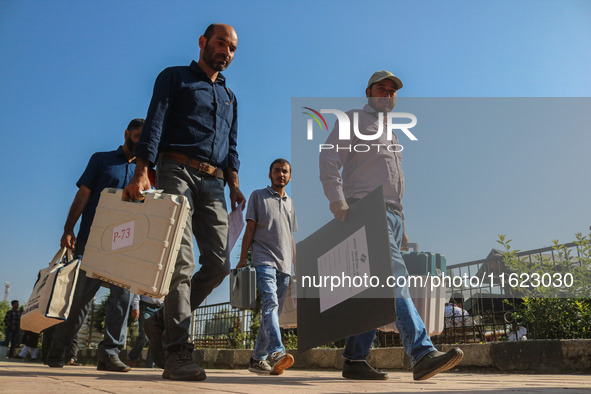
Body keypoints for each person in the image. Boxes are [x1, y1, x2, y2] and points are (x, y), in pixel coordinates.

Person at [319, 71, 464, 381]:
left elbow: (394, 183)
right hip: (365, 210)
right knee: (392, 278)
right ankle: (422, 352)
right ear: (368, 92)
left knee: (372, 290)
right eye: (381, 89)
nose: (386, 94)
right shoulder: (354, 118)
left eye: (392, 91)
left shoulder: (392, 133)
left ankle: (355, 359)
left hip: (392, 216)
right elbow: (329, 158)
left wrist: (403, 226)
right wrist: (336, 200)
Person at [124, 23, 244, 381]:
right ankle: (177, 351)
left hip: (216, 183)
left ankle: (160, 322)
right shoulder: (174, 77)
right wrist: (142, 170)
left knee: (220, 264)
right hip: (176, 168)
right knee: (180, 260)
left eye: (233, 47)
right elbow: (155, 122)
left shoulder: (230, 98)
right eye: (221, 42)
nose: (226, 51)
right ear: (203, 42)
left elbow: (232, 146)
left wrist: (234, 183)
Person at [46, 118, 144, 372]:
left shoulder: (146, 172)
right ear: (126, 134)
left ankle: (110, 353)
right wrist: (68, 229)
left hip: (125, 246)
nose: (139, 142)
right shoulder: (101, 159)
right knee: (79, 300)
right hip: (92, 241)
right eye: (136, 137)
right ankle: (60, 348)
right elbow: (83, 195)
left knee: (122, 299)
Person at [237, 159, 297, 375]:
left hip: (285, 265)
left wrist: (295, 267)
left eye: (285, 172)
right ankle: (277, 352)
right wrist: (243, 257)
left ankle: (257, 359)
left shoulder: (290, 203)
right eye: (277, 171)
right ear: (270, 174)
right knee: (270, 303)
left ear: (290, 177)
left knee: (273, 312)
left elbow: (289, 236)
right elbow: (250, 228)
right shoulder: (258, 195)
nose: (281, 174)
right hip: (263, 259)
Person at [127, 294, 163, 368]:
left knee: (156, 337)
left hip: (160, 307)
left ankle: (150, 365)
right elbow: (138, 290)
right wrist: (135, 306)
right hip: (145, 307)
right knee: (144, 336)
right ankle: (132, 358)